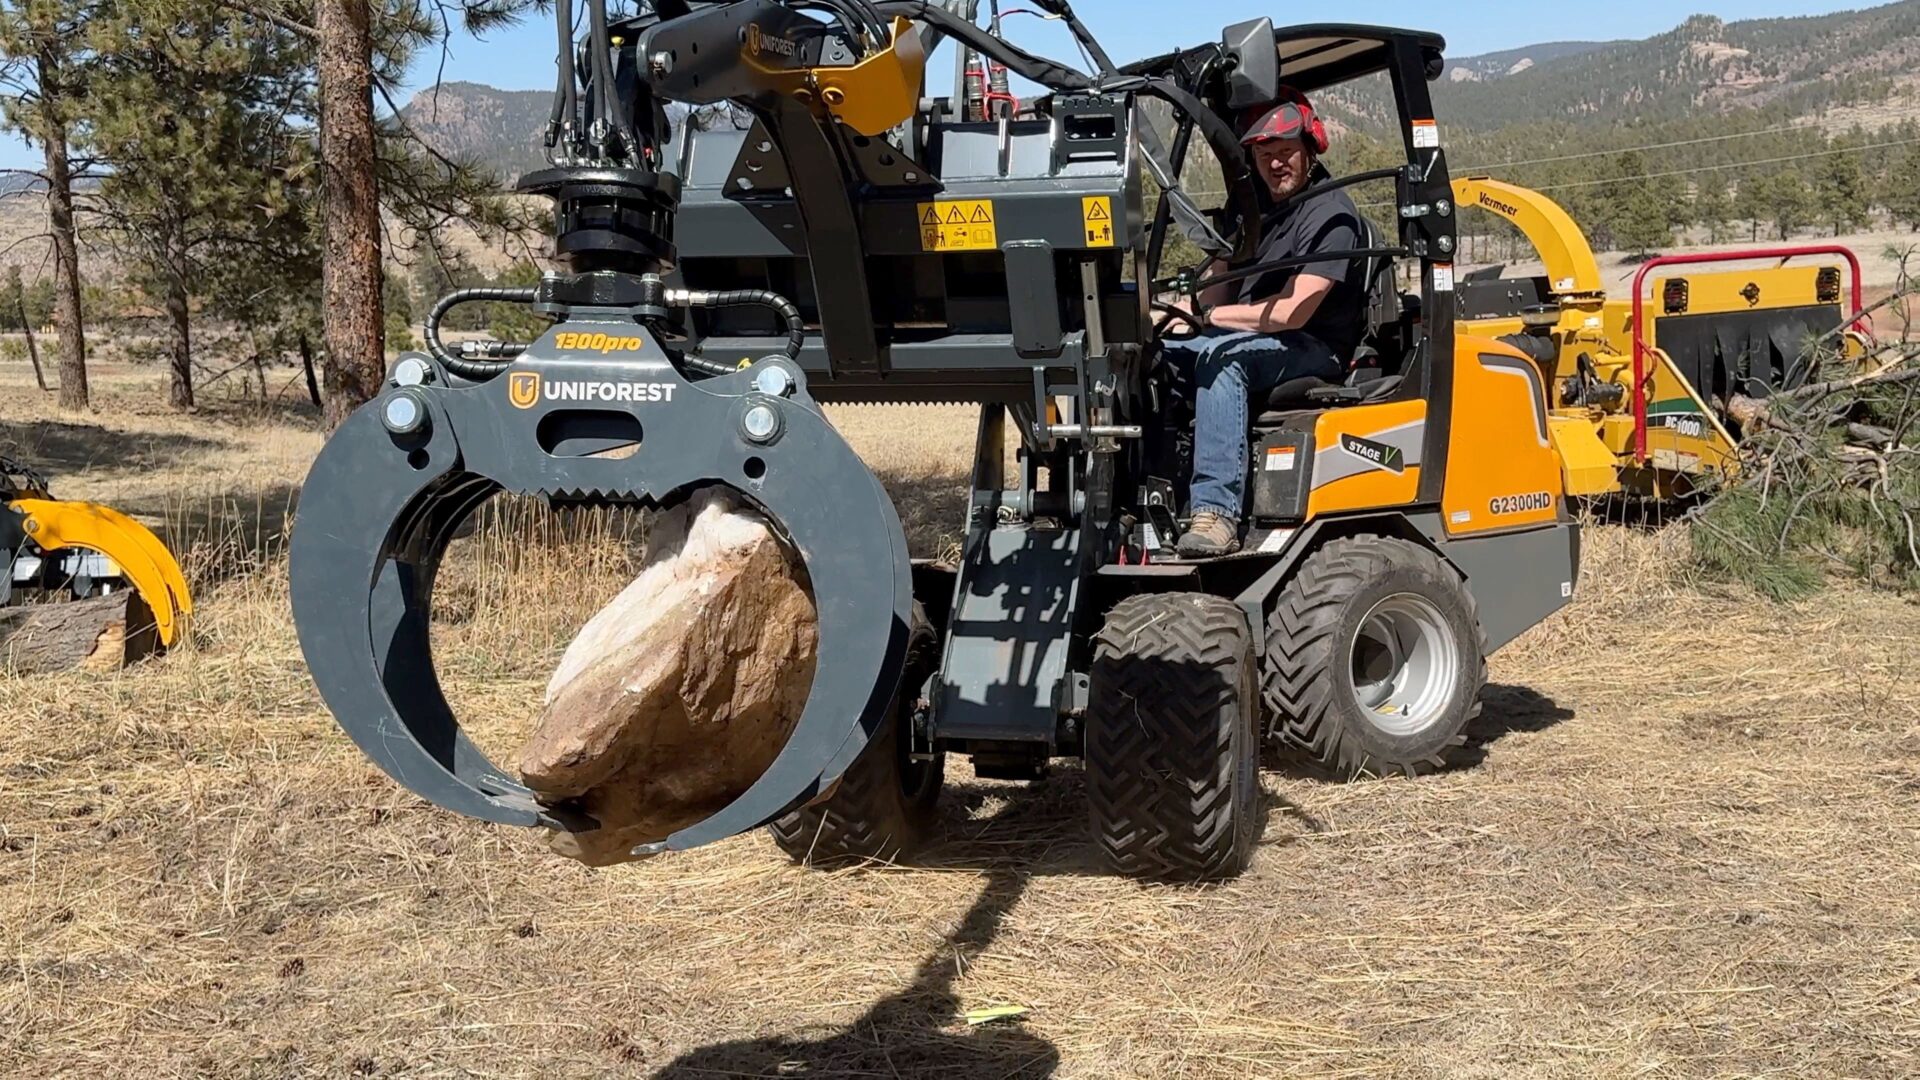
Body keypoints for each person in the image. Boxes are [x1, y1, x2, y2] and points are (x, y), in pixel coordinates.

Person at [1162, 87, 1369, 557]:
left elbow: (1293, 311)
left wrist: (1208, 319)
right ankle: (1154, 494)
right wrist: (1182, 309)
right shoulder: (1254, 207)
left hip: (1314, 344)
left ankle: (1215, 514)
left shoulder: (1330, 212)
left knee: (1220, 359)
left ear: (1311, 149)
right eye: (1265, 155)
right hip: (1256, 333)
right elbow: (1217, 289)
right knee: (1157, 359)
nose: (1276, 164)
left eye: (1285, 152)